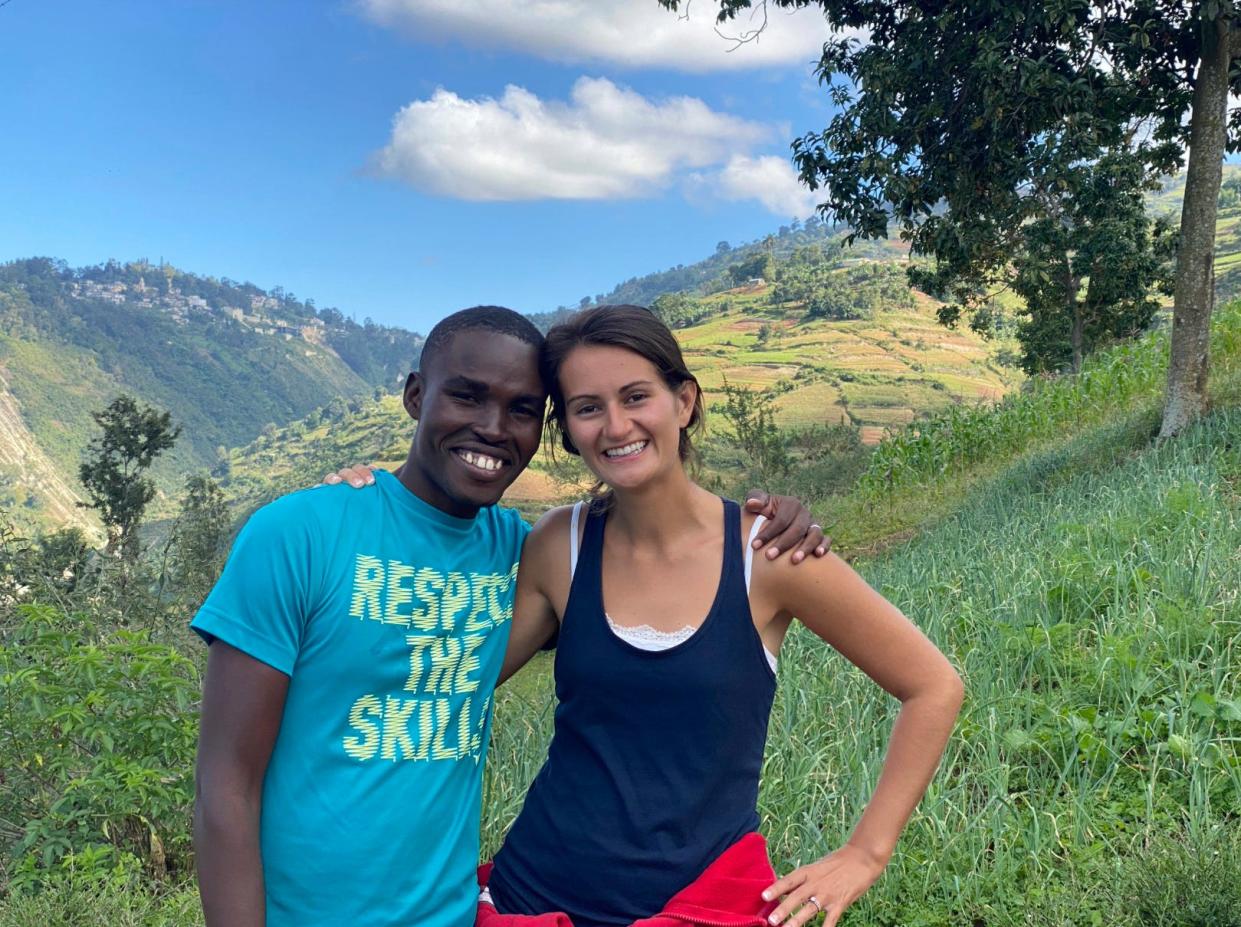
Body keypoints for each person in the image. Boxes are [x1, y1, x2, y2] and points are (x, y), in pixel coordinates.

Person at [191, 305, 827, 927]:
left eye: (523, 409)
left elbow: (645, 594)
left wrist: (772, 526)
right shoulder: (297, 533)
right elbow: (226, 784)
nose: (494, 428)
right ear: (416, 396)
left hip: (456, 912)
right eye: (466, 397)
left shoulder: (520, 551)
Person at [451, 306, 962, 927]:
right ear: (570, 429)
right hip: (534, 898)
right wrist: (377, 506)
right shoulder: (561, 544)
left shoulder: (769, 555)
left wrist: (865, 852)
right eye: (588, 408)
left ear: (684, 401)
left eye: (636, 396)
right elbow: (456, 681)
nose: (616, 426)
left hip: (700, 906)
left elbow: (933, 687)